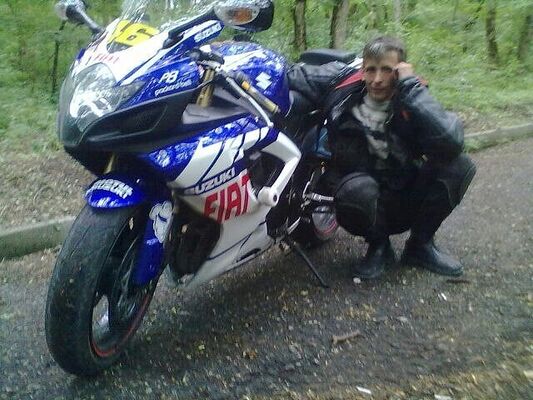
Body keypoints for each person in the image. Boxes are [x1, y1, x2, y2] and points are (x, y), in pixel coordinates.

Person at [323, 36, 477, 279]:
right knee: (355, 189)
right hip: (363, 200)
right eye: (370, 70)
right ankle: (379, 248)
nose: (377, 79)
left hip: (406, 193)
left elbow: (452, 141)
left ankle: (420, 246)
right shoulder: (343, 100)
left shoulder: (412, 100)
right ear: (362, 71)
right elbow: (301, 79)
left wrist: (411, 87)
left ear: (400, 71)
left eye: (386, 69)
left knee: (461, 166)